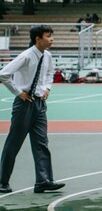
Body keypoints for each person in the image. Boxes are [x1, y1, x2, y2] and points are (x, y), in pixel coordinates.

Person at [0, 25, 64, 194]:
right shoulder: (26, 56)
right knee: (14, 143)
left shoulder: (47, 56)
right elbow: (3, 74)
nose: (52, 39)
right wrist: (18, 92)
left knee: (41, 142)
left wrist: (47, 87)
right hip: (25, 104)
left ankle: (43, 181)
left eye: (52, 36)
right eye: (48, 36)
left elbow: (49, 73)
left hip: (39, 104)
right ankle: (2, 181)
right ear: (38, 39)